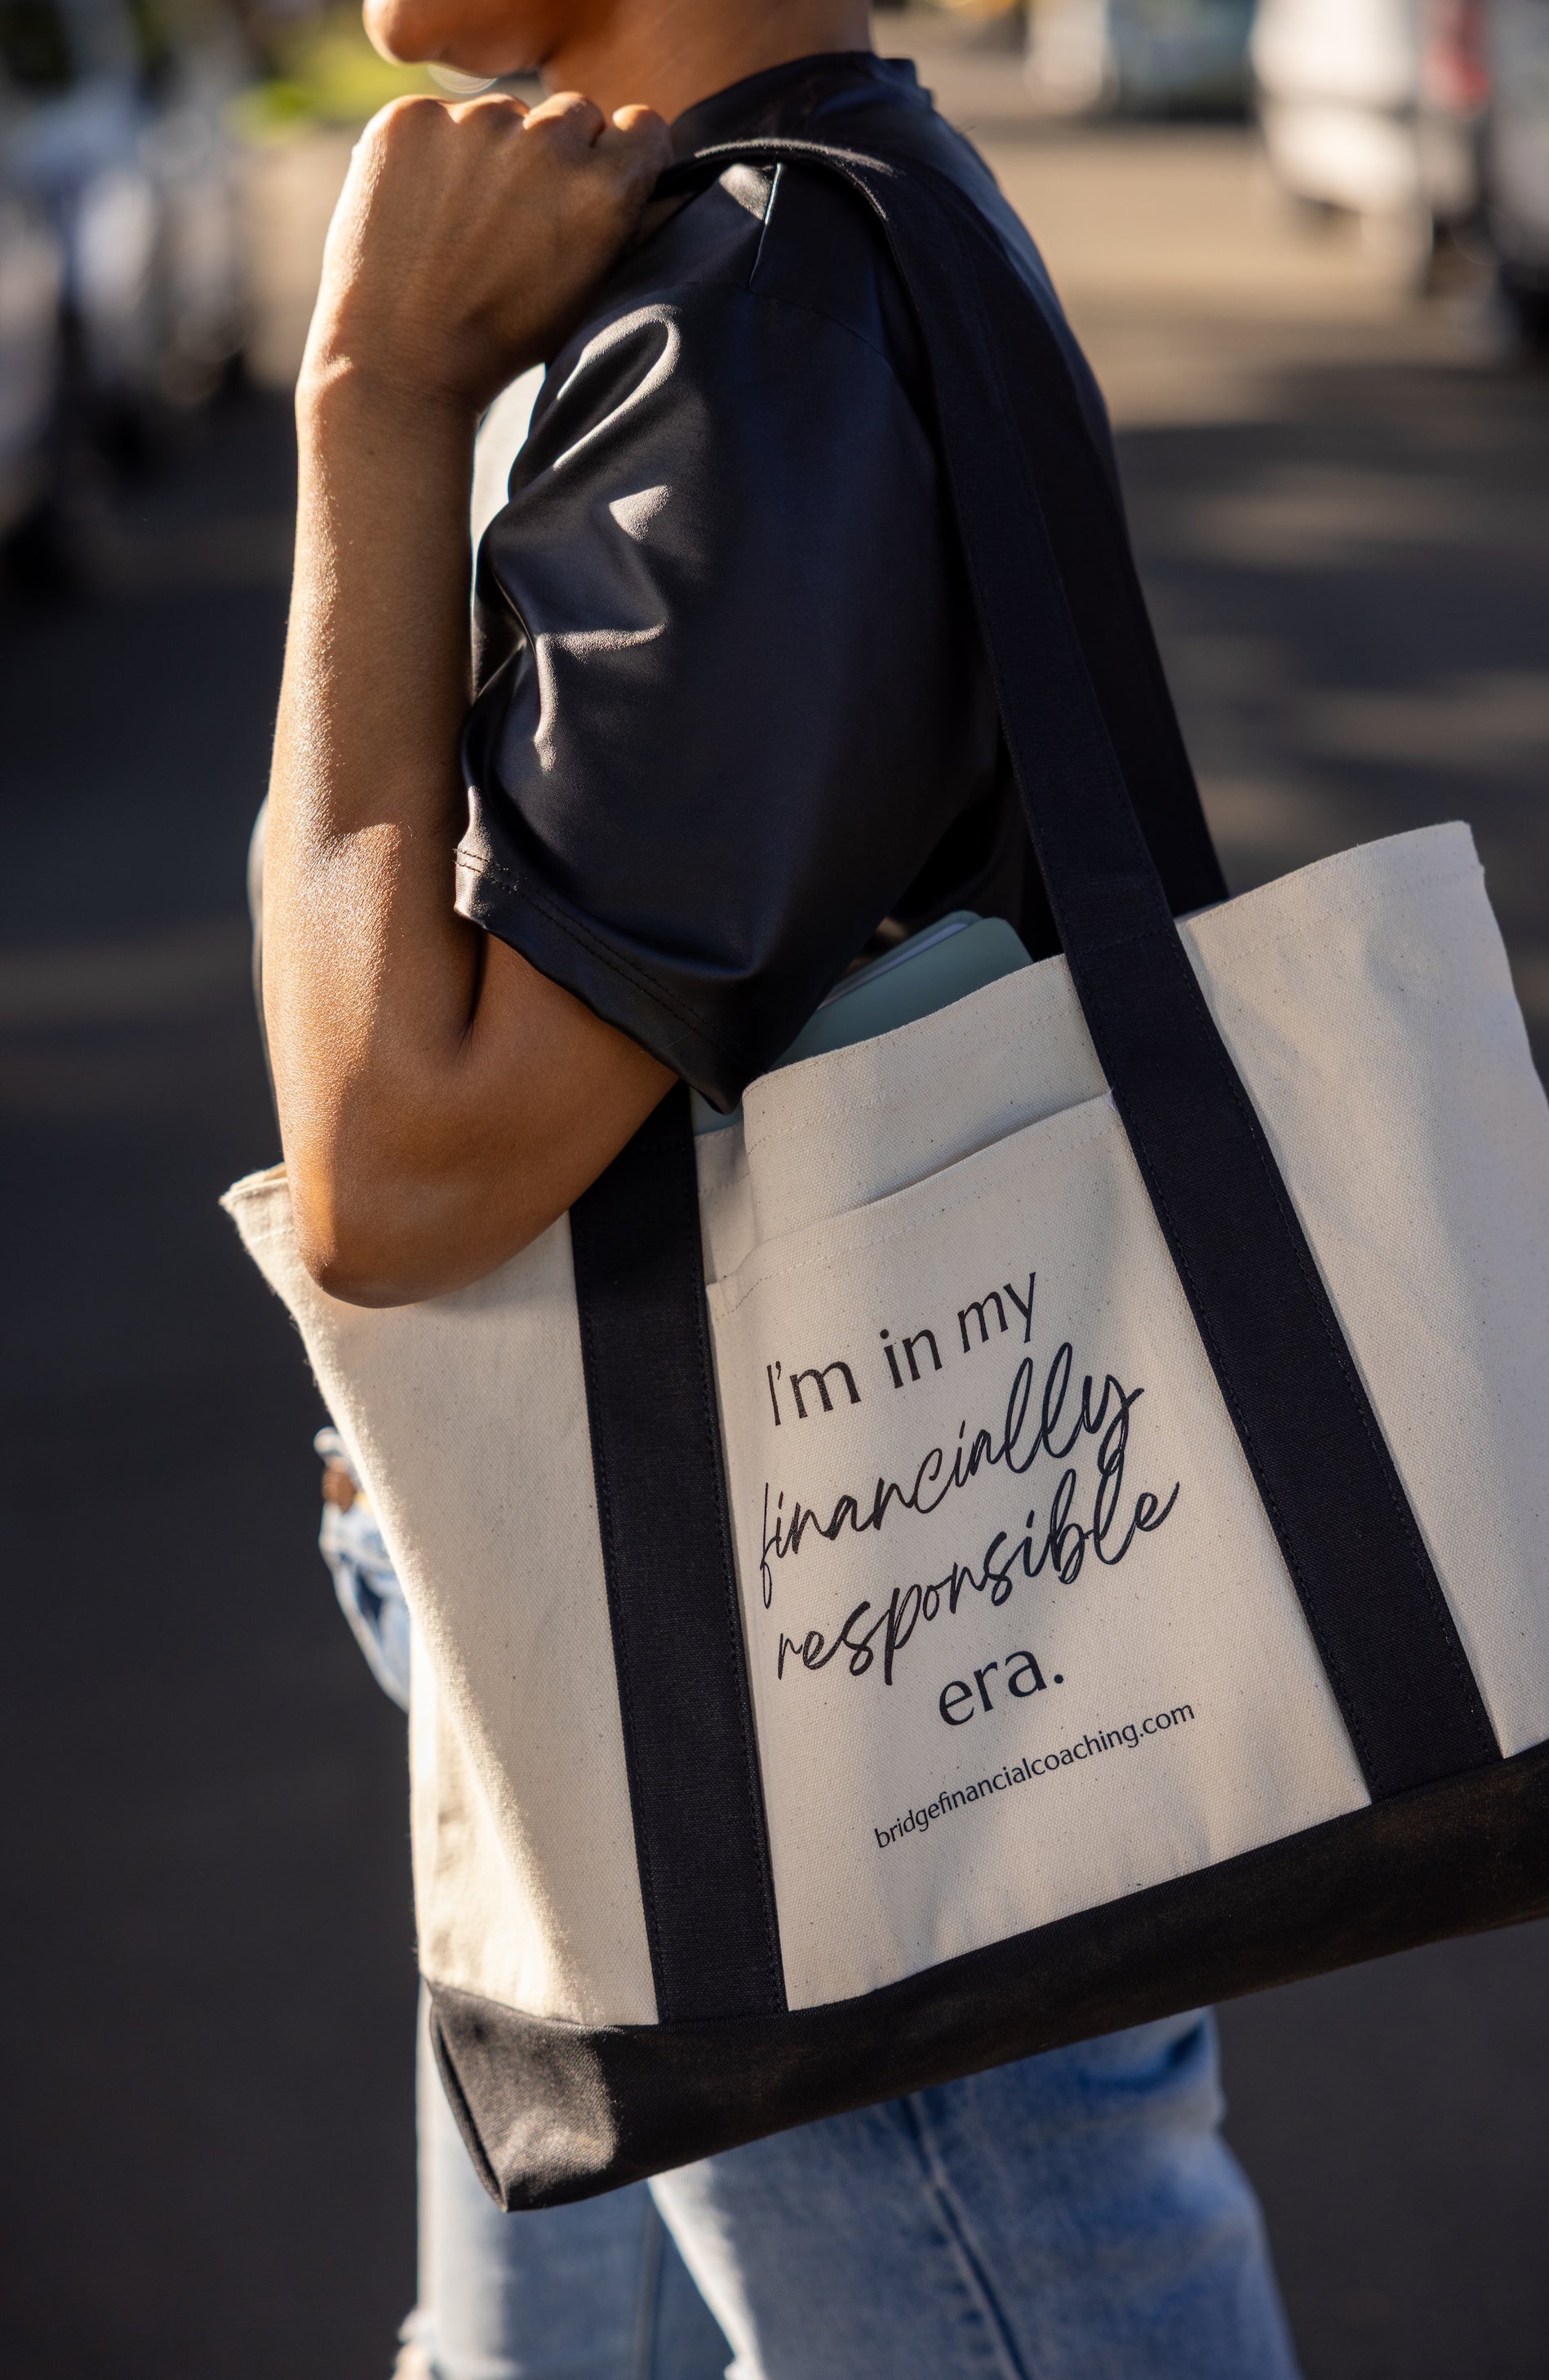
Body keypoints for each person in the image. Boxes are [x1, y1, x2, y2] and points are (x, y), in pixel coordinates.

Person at [259, 0, 1303, 2371]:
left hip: (807, 1692)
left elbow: (391, 1174)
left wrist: (372, 411)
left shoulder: (762, 321)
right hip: (626, 1628)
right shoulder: (764, 241)